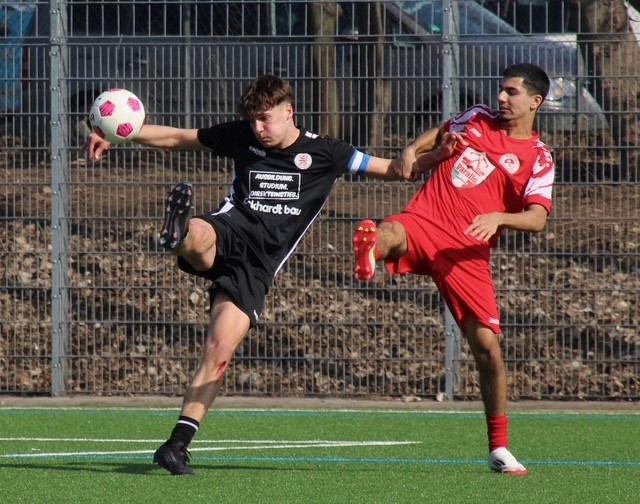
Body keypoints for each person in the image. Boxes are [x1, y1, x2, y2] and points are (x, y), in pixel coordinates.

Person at [85, 75, 456, 475]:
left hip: (258, 267)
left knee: (219, 352)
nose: (258, 128)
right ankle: (179, 234)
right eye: (253, 120)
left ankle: (175, 447)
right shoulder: (243, 137)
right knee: (202, 236)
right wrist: (123, 133)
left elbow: (395, 170)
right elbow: (179, 137)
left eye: (265, 118)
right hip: (230, 229)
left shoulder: (327, 152)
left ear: (288, 111)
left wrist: (436, 156)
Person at [352, 63, 555, 475]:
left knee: (488, 351)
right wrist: (411, 150)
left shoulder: (538, 158)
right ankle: (369, 254)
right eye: (501, 89)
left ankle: (499, 447)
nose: (501, 97)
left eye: (511, 92)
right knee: (390, 229)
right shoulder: (477, 116)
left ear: (535, 101)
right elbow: (441, 131)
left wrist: (499, 217)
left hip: (467, 253)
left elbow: (537, 218)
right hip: (426, 222)